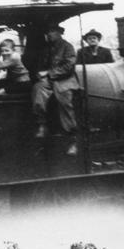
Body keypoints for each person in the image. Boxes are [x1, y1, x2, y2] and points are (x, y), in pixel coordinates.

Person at [31, 24, 80, 156]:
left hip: (65, 80)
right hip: (49, 80)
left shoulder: (67, 47)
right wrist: (39, 73)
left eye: (52, 32)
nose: (49, 34)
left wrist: (48, 73)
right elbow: (40, 65)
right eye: (48, 32)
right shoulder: (46, 49)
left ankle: (73, 139)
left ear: (59, 33)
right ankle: (42, 124)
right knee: (38, 88)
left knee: (64, 101)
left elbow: (68, 66)